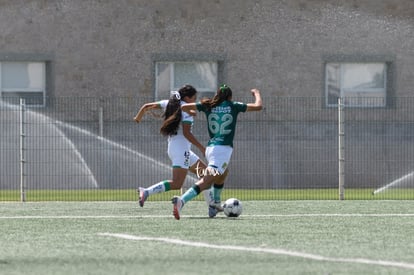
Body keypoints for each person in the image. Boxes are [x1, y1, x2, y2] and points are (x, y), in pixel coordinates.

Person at [172, 84, 263, 220]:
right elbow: (258, 106)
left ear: (217, 95)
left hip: (211, 149)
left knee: (223, 174)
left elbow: (184, 107)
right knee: (207, 180)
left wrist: (191, 112)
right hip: (222, 150)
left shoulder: (209, 105)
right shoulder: (233, 106)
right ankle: (182, 200)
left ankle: (215, 204)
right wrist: (256, 93)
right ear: (230, 96)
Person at [133, 84, 223, 216]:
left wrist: (138, 118)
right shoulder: (186, 111)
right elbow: (187, 134)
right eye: (194, 98)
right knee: (177, 183)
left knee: (205, 175)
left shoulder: (169, 103)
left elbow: (146, 106)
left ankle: (212, 207)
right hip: (182, 151)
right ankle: (146, 191)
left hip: (177, 149)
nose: (194, 101)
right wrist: (202, 148)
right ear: (187, 98)